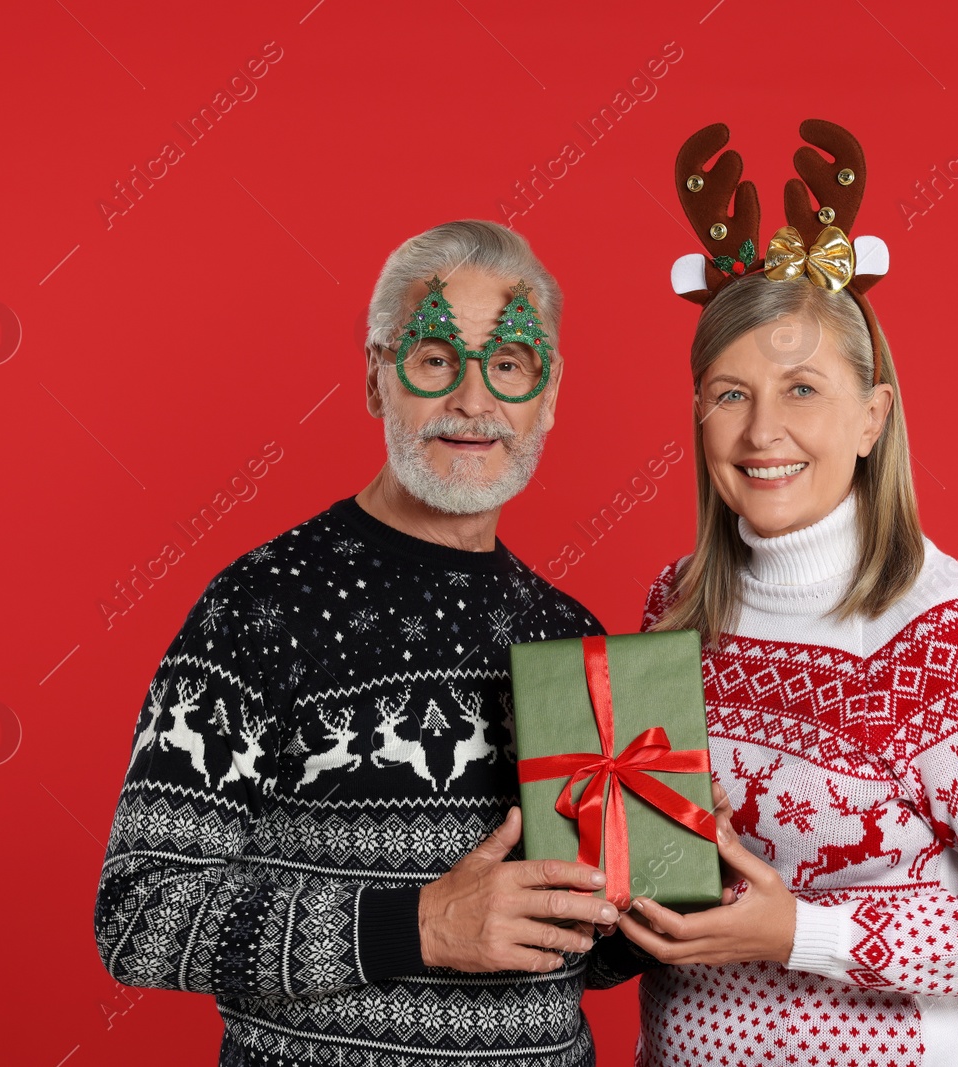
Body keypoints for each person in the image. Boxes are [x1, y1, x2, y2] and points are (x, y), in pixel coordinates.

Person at [93, 219, 656, 1067]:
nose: (474, 402)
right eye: (435, 361)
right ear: (376, 378)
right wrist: (419, 923)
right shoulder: (263, 604)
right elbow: (139, 915)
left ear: (549, 393)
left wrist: (664, 891)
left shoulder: (568, 633)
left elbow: (578, 952)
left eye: (508, 366)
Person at [618, 120, 958, 1066]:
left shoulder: (936, 628)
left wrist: (802, 931)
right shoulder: (673, 604)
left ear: (873, 416)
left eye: (801, 389)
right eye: (728, 392)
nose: (762, 432)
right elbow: (652, 862)